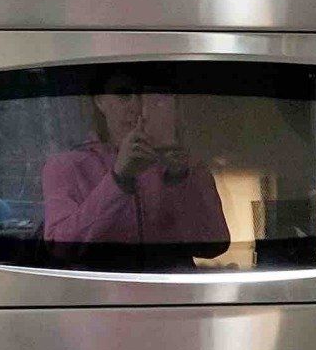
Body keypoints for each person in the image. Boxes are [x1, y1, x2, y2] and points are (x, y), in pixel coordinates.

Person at [42, 74, 231, 263]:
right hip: (99, 291)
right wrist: (118, 179)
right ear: (99, 102)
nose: (136, 106)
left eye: (146, 97)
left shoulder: (186, 165)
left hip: (174, 290)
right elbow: (60, 248)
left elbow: (214, 245)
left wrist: (179, 181)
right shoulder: (67, 166)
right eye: (123, 95)